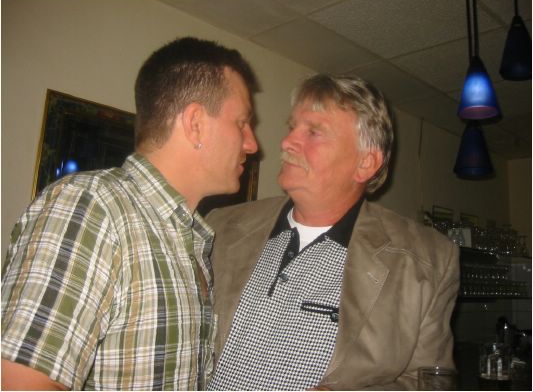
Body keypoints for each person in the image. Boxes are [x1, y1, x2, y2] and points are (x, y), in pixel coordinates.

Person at [1, 36, 259, 390]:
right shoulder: (93, 206)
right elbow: (19, 383)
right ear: (196, 123)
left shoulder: (190, 243)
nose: (252, 144)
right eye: (242, 123)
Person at [206, 74, 460, 390]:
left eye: (313, 132)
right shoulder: (220, 227)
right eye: (291, 128)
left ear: (366, 163)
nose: (286, 142)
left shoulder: (425, 261)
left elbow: (431, 381)